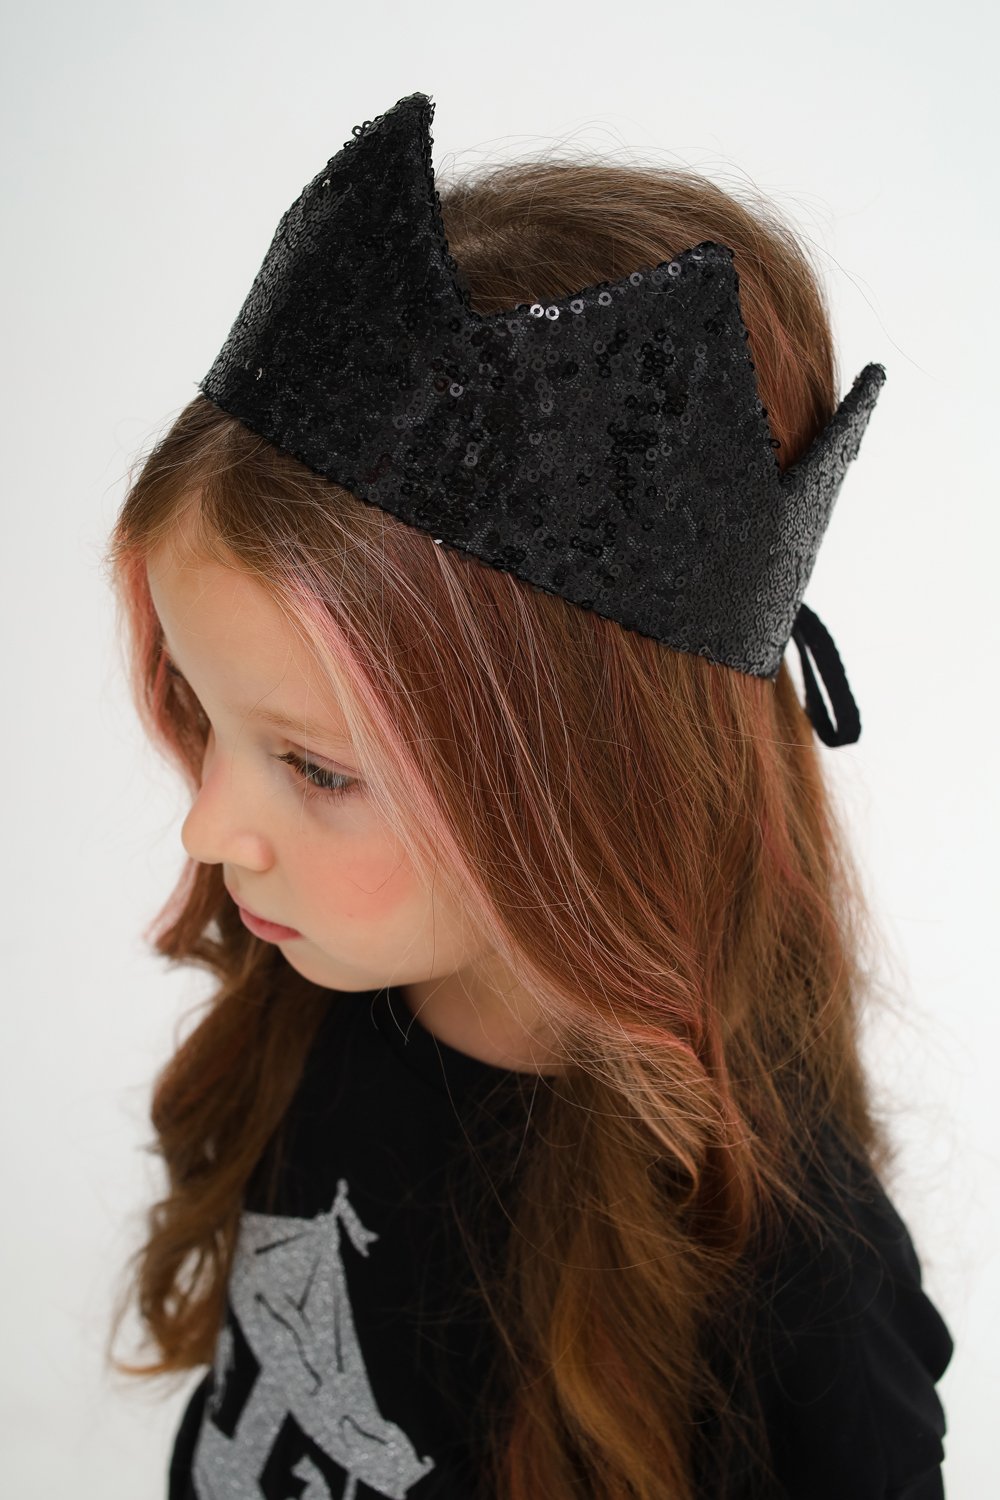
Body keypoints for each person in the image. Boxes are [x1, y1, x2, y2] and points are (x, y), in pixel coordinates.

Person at [102, 93, 953, 1500]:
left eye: (318, 768)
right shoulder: (322, 1006)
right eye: (206, 715)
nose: (207, 828)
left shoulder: (787, 1288)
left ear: (588, 790)